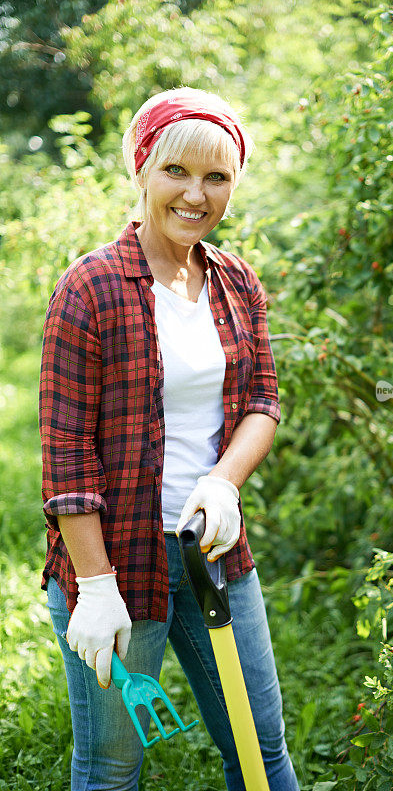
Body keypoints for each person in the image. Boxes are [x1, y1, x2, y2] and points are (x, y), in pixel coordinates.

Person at [39, 86, 300, 791]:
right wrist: (95, 587)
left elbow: (262, 400)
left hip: (212, 554)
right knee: (113, 767)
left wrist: (222, 481)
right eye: (176, 172)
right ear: (142, 171)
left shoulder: (235, 282)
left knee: (261, 751)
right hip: (116, 563)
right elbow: (67, 458)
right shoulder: (90, 288)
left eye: (217, 177)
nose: (196, 193)